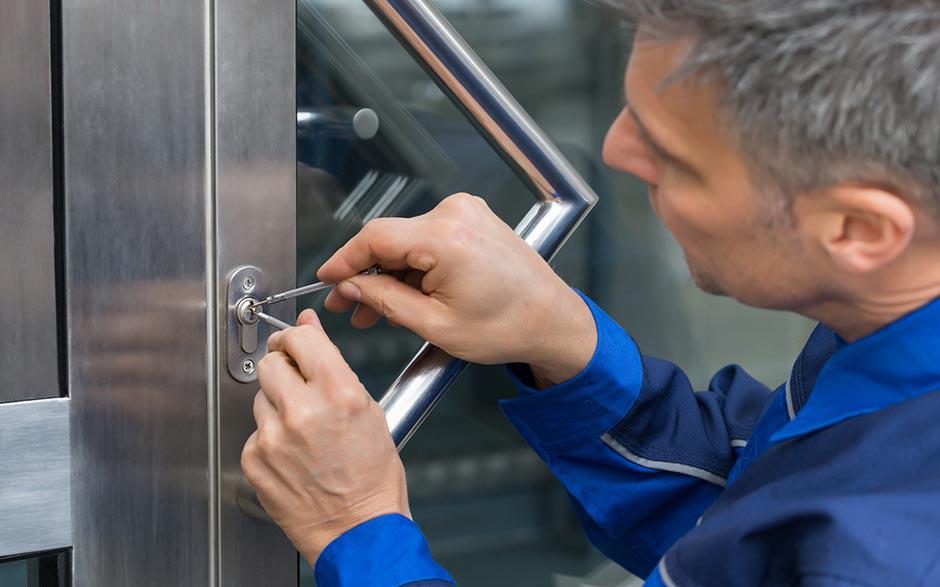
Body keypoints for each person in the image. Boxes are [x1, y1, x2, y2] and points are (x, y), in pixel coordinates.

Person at [240, 1, 940, 585]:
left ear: (858, 228)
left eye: (674, 158)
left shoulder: (887, 557)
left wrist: (359, 530)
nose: (611, 149)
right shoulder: (890, 330)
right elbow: (748, 529)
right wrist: (563, 342)